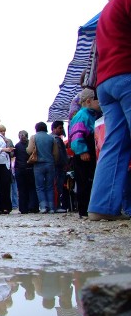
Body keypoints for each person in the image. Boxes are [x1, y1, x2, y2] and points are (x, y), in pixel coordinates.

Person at [87, 0, 131, 221]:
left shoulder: (108, 9)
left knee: (114, 144)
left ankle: (101, 207)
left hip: (106, 82)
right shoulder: (127, 1)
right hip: (127, 75)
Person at [69, 88, 100, 218]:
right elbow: (76, 135)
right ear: (88, 101)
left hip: (87, 154)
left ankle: (87, 209)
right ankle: (84, 210)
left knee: (87, 182)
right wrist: (82, 151)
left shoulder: (88, 115)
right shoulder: (82, 116)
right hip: (84, 155)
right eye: (97, 101)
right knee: (84, 182)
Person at [27, 122, 58, 214]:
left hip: (38, 164)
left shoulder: (34, 137)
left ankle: (43, 207)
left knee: (40, 187)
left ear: (36, 129)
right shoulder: (52, 138)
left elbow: (29, 150)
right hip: (50, 164)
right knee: (50, 186)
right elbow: (56, 153)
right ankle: (52, 207)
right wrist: (53, 162)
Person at [14, 130, 38, 214]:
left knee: (22, 189)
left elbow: (14, 155)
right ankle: (33, 207)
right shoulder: (31, 145)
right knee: (32, 188)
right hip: (30, 168)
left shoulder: (17, 146)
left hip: (20, 169)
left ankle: (23, 208)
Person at [0, 124, 18, 211]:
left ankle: (9, 205)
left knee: (7, 186)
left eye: (4, 131)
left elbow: (13, 154)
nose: (3, 133)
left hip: (7, 165)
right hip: (0, 164)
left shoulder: (8, 141)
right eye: (1, 131)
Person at [51, 120, 69, 213]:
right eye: (60, 128)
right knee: (58, 186)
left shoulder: (51, 138)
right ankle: (57, 206)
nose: (62, 130)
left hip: (54, 166)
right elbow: (60, 154)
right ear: (54, 129)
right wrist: (65, 163)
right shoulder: (56, 139)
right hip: (59, 166)